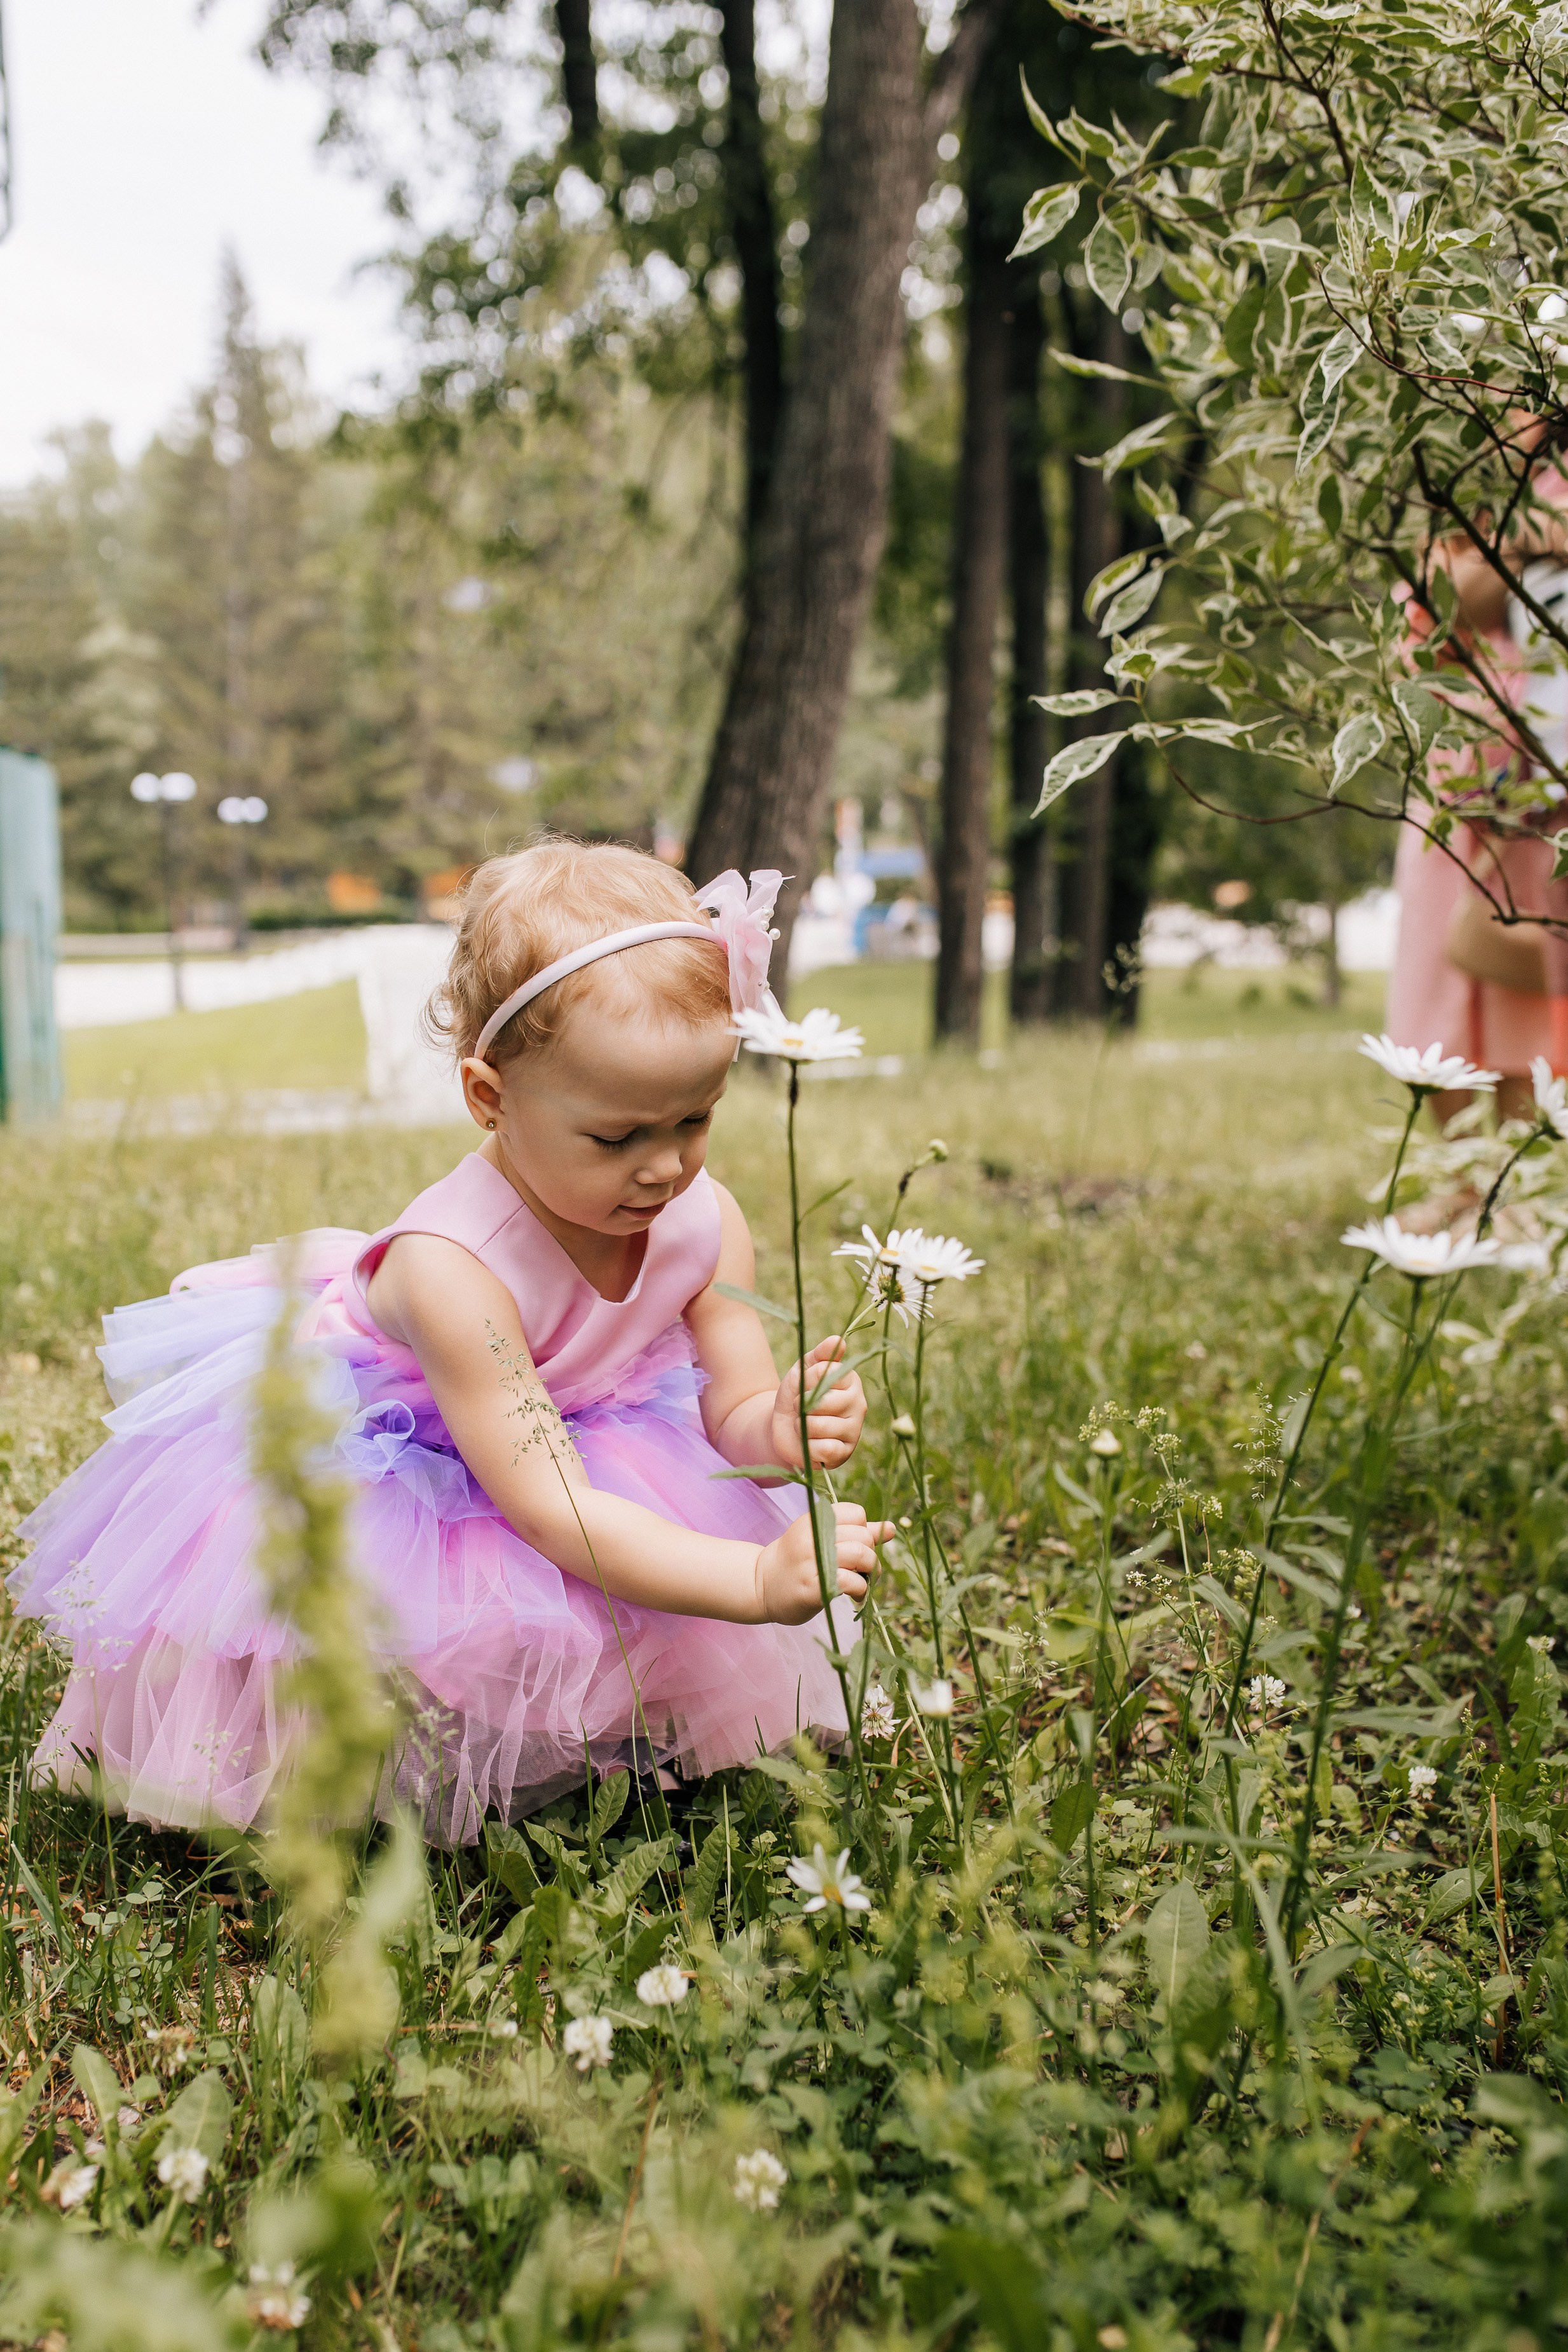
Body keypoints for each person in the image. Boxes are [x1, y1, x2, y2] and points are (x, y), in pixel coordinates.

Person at [10, 844, 889, 1841]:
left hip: (570, 1427)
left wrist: (770, 1428)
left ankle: (593, 1741)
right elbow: (553, 1508)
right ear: (489, 1096)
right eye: (617, 1137)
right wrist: (747, 1582)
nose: (664, 1167)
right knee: (375, 1632)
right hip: (411, 1450)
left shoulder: (704, 1217)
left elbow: (724, 1407)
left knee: (625, 1551)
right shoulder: (453, 1270)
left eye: (695, 1119)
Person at [1386, 450, 1568, 1128]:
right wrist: (1522, 541)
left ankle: (1517, 1185)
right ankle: (1459, 1179)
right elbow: (1436, 613)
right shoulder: (1463, 490)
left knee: (1527, 979)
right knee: (1438, 969)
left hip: (1545, 784)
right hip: (1458, 775)